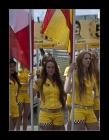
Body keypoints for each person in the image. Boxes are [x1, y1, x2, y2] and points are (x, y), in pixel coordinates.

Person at [64, 51, 99, 130]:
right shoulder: (74, 74)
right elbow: (66, 90)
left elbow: (94, 91)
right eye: (86, 58)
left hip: (90, 109)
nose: (88, 60)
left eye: (89, 59)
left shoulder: (91, 75)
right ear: (80, 60)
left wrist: (92, 97)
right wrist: (69, 72)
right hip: (78, 110)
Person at [33, 58, 66, 130]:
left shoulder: (60, 82)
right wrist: (30, 81)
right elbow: (31, 95)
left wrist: (63, 104)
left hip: (58, 113)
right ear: (45, 69)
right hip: (45, 114)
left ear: (56, 69)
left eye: (53, 67)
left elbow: (64, 94)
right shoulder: (40, 81)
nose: (50, 69)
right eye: (48, 67)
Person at [63, 51, 79, 130]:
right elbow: (67, 81)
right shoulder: (68, 69)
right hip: (71, 96)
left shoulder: (81, 69)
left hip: (80, 98)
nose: (77, 56)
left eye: (78, 55)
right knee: (70, 118)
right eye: (76, 55)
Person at [16, 62, 34, 131]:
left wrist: (21, 84)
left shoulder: (30, 68)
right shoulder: (16, 67)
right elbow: (15, 82)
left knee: (25, 115)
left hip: (27, 94)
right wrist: (26, 84)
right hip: (19, 94)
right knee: (18, 116)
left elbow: (31, 82)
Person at [9, 57, 22, 130]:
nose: (13, 68)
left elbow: (19, 87)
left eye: (14, 66)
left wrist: (16, 97)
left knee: (12, 129)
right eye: (10, 66)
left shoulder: (14, 78)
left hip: (14, 106)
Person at [88, 51, 100, 121]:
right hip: (87, 99)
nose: (98, 61)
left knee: (96, 120)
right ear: (92, 60)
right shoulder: (86, 72)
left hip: (96, 99)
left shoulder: (97, 71)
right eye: (97, 60)